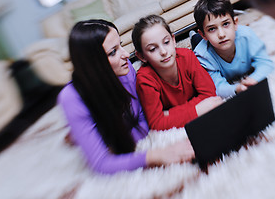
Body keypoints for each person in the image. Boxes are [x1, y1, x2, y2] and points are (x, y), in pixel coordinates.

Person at [58, 19, 195, 174]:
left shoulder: (126, 68)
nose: (126, 55)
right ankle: (75, 133)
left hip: (113, 118)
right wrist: (155, 155)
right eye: (113, 52)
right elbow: (102, 164)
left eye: (120, 45)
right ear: (94, 64)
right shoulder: (70, 98)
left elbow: (144, 120)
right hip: (91, 109)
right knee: (81, 135)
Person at [132, 15, 223, 131]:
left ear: (173, 40)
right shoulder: (144, 79)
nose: (164, 52)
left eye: (166, 42)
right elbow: (156, 123)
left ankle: (194, 37)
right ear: (141, 56)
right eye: (152, 49)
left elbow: (210, 95)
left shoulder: (187, 56)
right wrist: (197, 110)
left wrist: (168, 113)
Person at [191, 0, 274, 99]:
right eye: (212, 29)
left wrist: (253, 80)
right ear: (203, 34)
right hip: (203, 42)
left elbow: (266, 63)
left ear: (235, 24)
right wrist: (237, 89)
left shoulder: (247, 36)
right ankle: (194, 36)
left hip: (219, 39)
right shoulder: (203, 55)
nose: (221, 34)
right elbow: (216, 87)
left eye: (225, 24)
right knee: (195, 40)